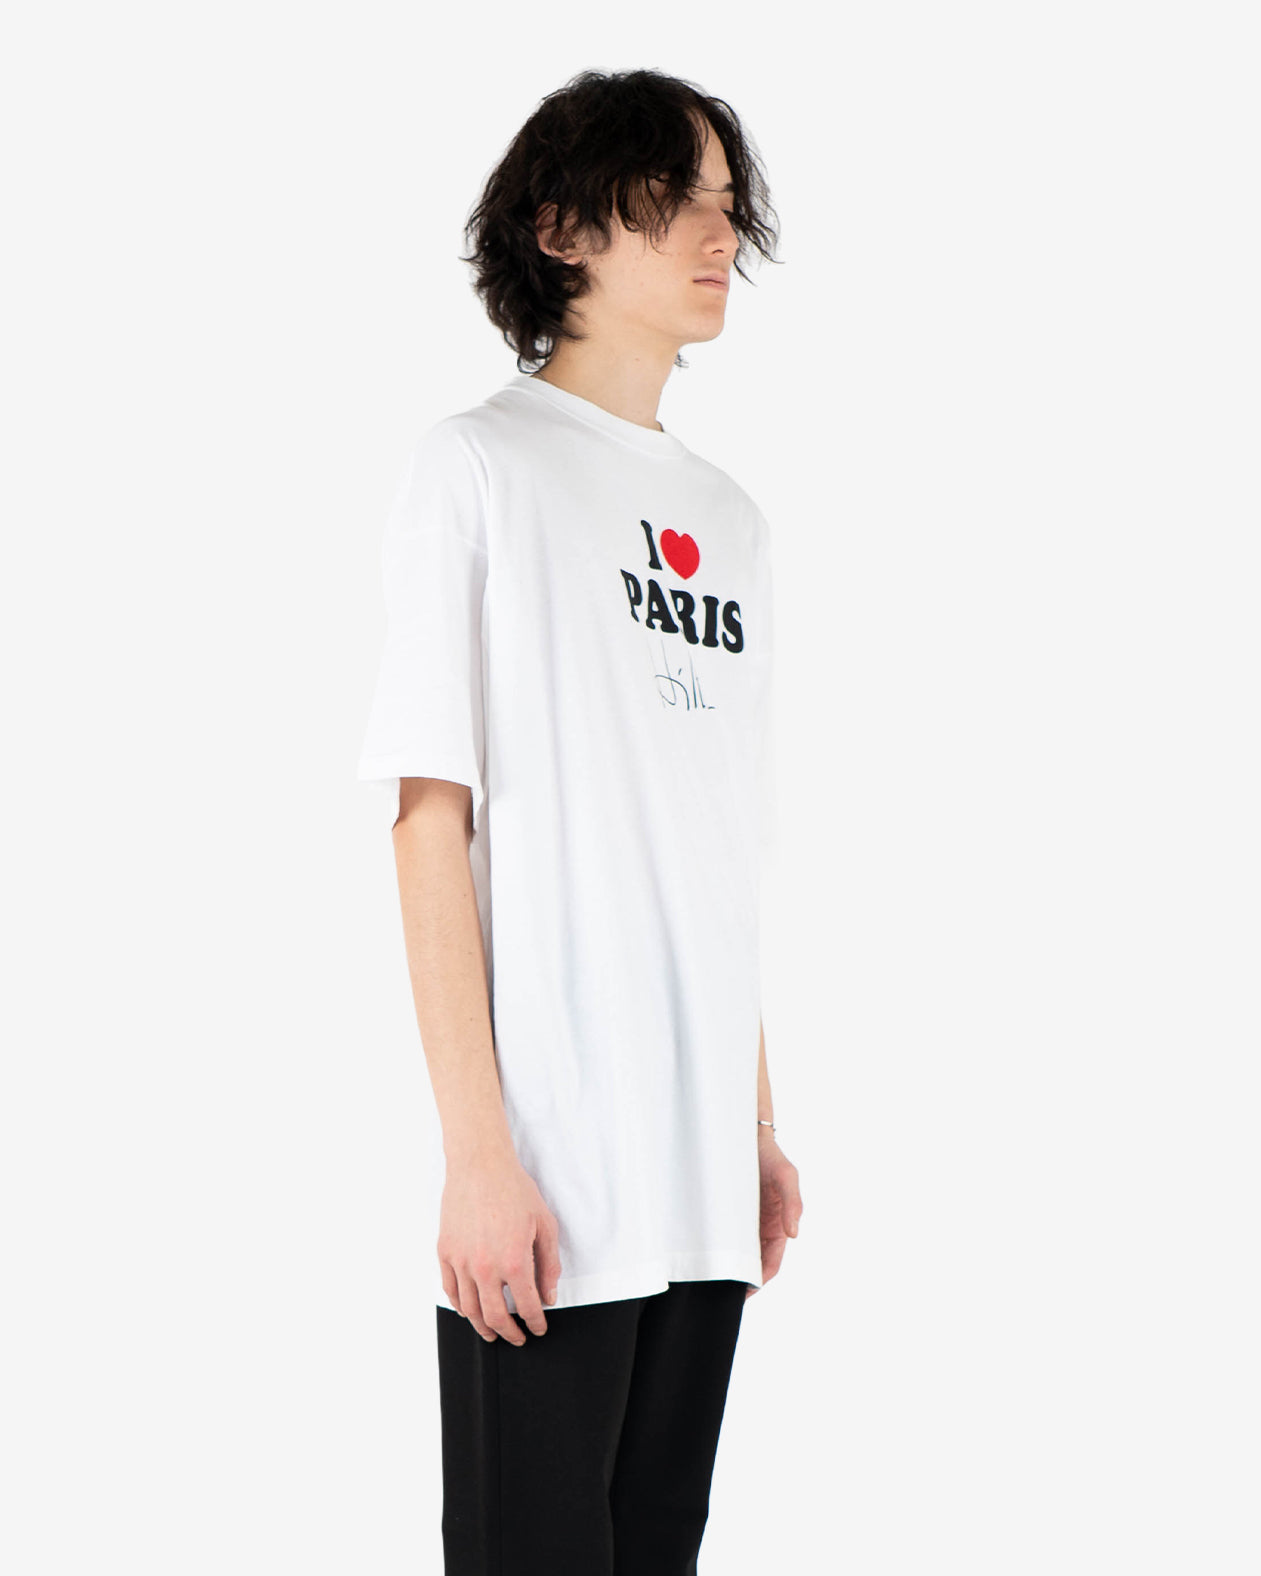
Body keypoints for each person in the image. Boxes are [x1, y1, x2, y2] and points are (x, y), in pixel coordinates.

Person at [356, 67, 803, 1575]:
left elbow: (712, 842)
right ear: (559, 229)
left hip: (699, 1178)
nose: (717, 236)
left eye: (727, 207)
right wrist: (477, 1156)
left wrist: (751, 1124)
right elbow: (430, 818)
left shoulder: (732, 522)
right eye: (674, 201)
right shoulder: (478, 466)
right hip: (551, 1172)